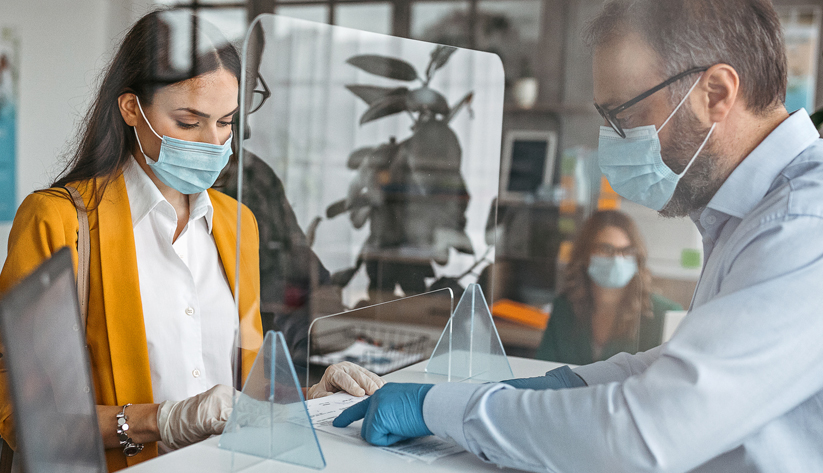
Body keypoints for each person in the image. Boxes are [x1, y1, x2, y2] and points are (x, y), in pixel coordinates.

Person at [333, 0, 823, 471]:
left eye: (624, 115)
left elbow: (644, 435)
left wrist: (438, 409)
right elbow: (682, 371)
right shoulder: (753, 215)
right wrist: (564, 386)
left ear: (715, 93)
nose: (610, 140)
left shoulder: (802, 223)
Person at [0, 10, 382, 471]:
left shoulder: (237, 223)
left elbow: (240, 398)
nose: (212, 141)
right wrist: (158, 421)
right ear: (131, 108)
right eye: (188, 122)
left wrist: (313, 398)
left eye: (226, 121)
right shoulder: (58, 221)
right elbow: (23, 416)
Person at [536, 210, 681, 365]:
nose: (617, 259)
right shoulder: (564, 308)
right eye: (605, 249)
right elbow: (543, 367)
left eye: (627, 251)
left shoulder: (665, 314)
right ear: (585, 255)